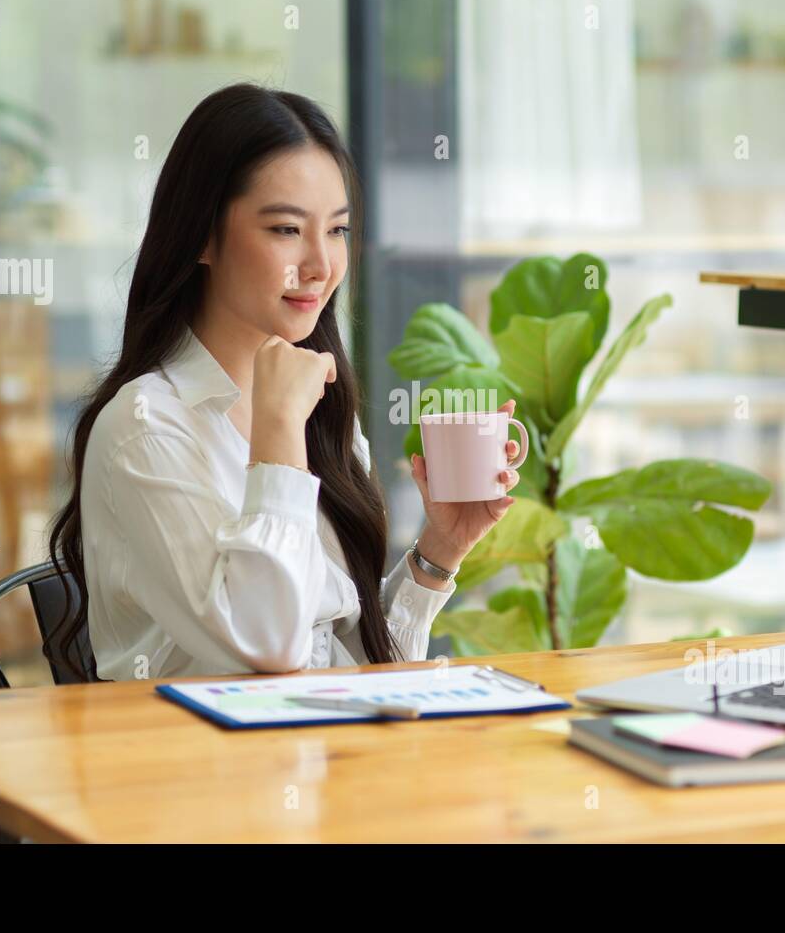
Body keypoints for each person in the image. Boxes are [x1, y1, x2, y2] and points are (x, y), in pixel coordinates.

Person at [46, 84, 521, 681]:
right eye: (286, 230)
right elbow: (270, 650)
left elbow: (352, 664)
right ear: (202, 236)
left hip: (317, 758)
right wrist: (276, 436)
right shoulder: (145, 427)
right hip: (195, 767)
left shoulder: (315, 403)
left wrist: (438, 551)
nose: (321, 265)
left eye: (338, 231)